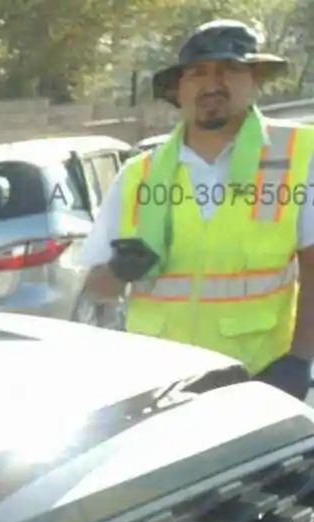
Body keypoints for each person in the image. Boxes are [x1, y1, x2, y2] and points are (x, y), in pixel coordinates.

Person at [77, 20, 314, 398]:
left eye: (229, 69)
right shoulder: (140, 174)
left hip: (259, 378)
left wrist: (300, 360)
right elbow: (96, 291)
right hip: (159, 386)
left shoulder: (295, 156)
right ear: (179, 89)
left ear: (255, 80)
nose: (211, 84)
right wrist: (119, 270)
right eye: (197, 73)